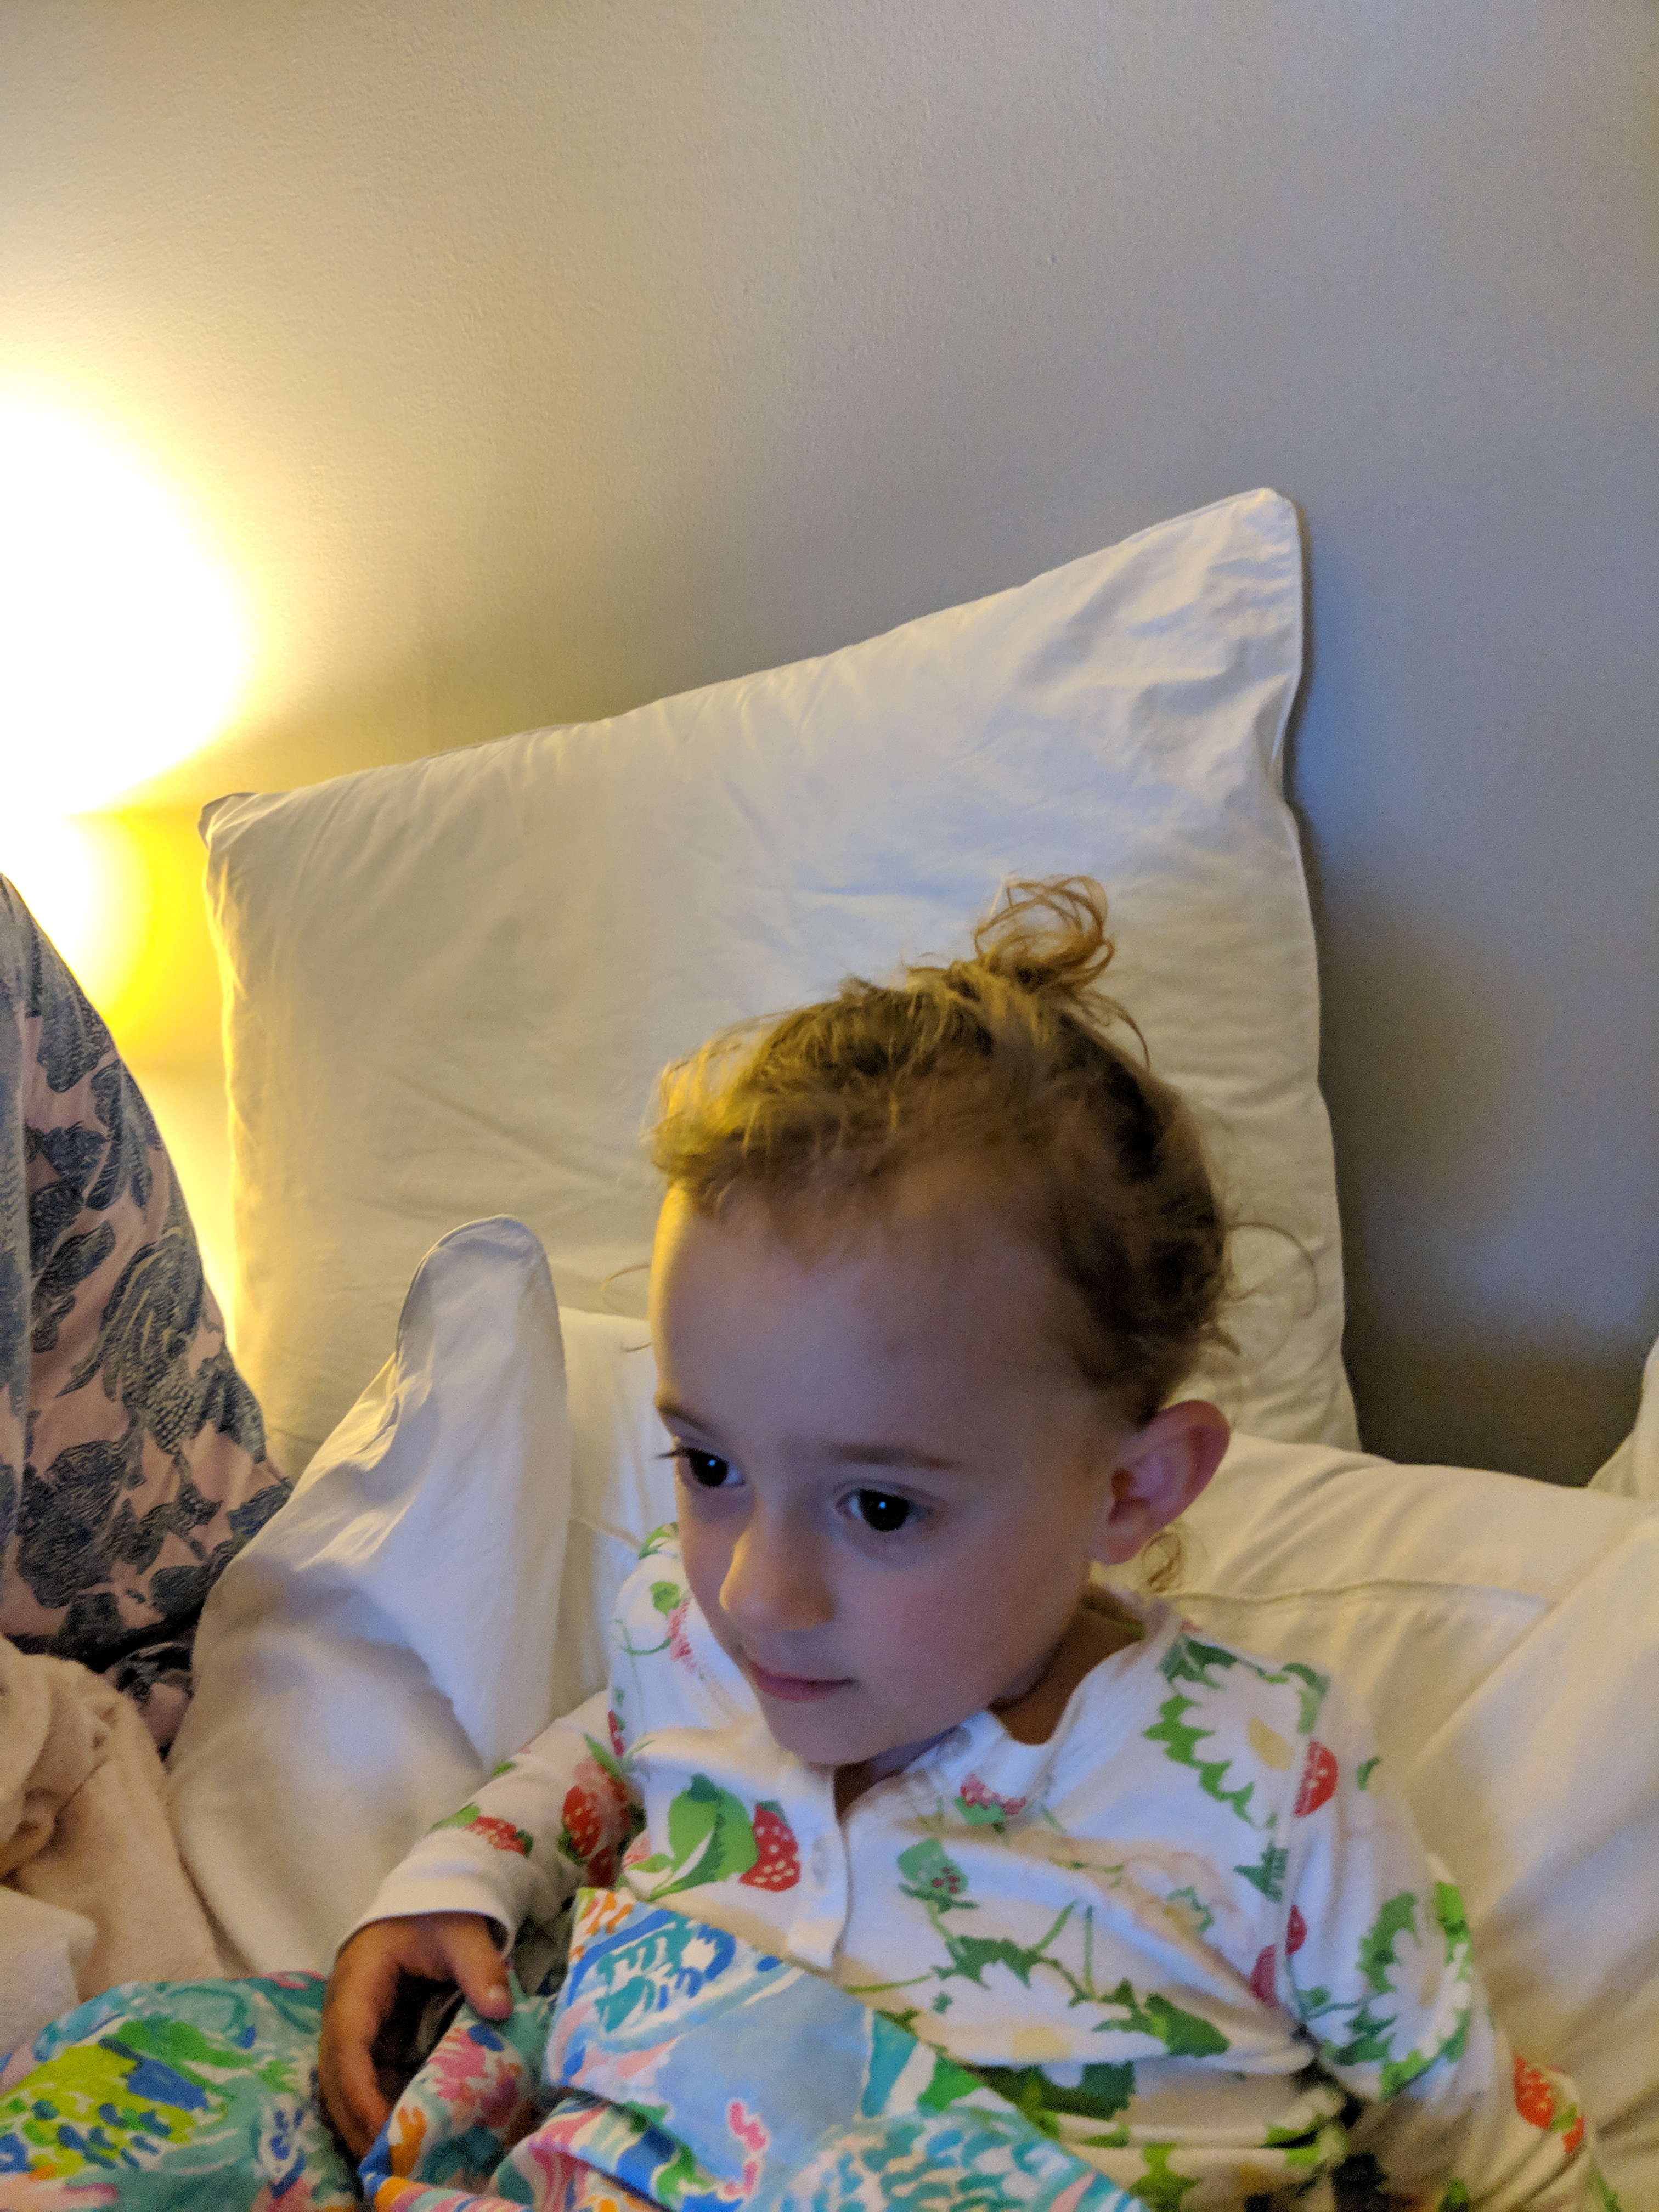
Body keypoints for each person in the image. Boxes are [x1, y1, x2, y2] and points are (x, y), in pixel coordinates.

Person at [319, 878, 1606, 2208]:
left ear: (1132, 1489)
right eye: (709, 1467)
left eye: (880, 1507)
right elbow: (606, 1746)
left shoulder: (1266, 1786)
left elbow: (1491, 2149)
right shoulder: (686, 1636)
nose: (756, 1593)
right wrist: (461, 1878)